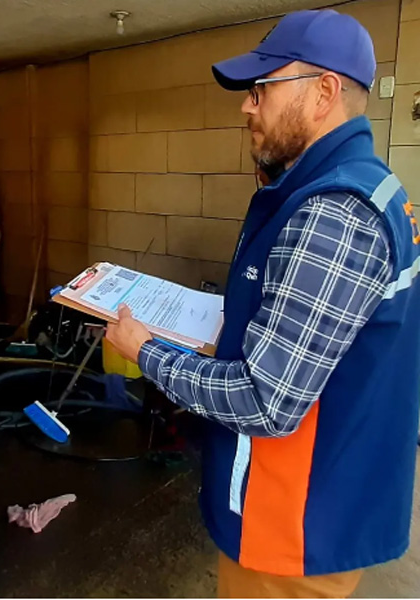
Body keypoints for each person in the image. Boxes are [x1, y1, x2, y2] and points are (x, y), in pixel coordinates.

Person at [106, 9, 420, 598]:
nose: (247, 107)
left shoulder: (334, 212)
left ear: (324, 91)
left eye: (263, 89)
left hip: (294, 521)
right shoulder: (362, 185)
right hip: (324, 497)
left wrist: (145, 350)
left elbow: (265, 401)